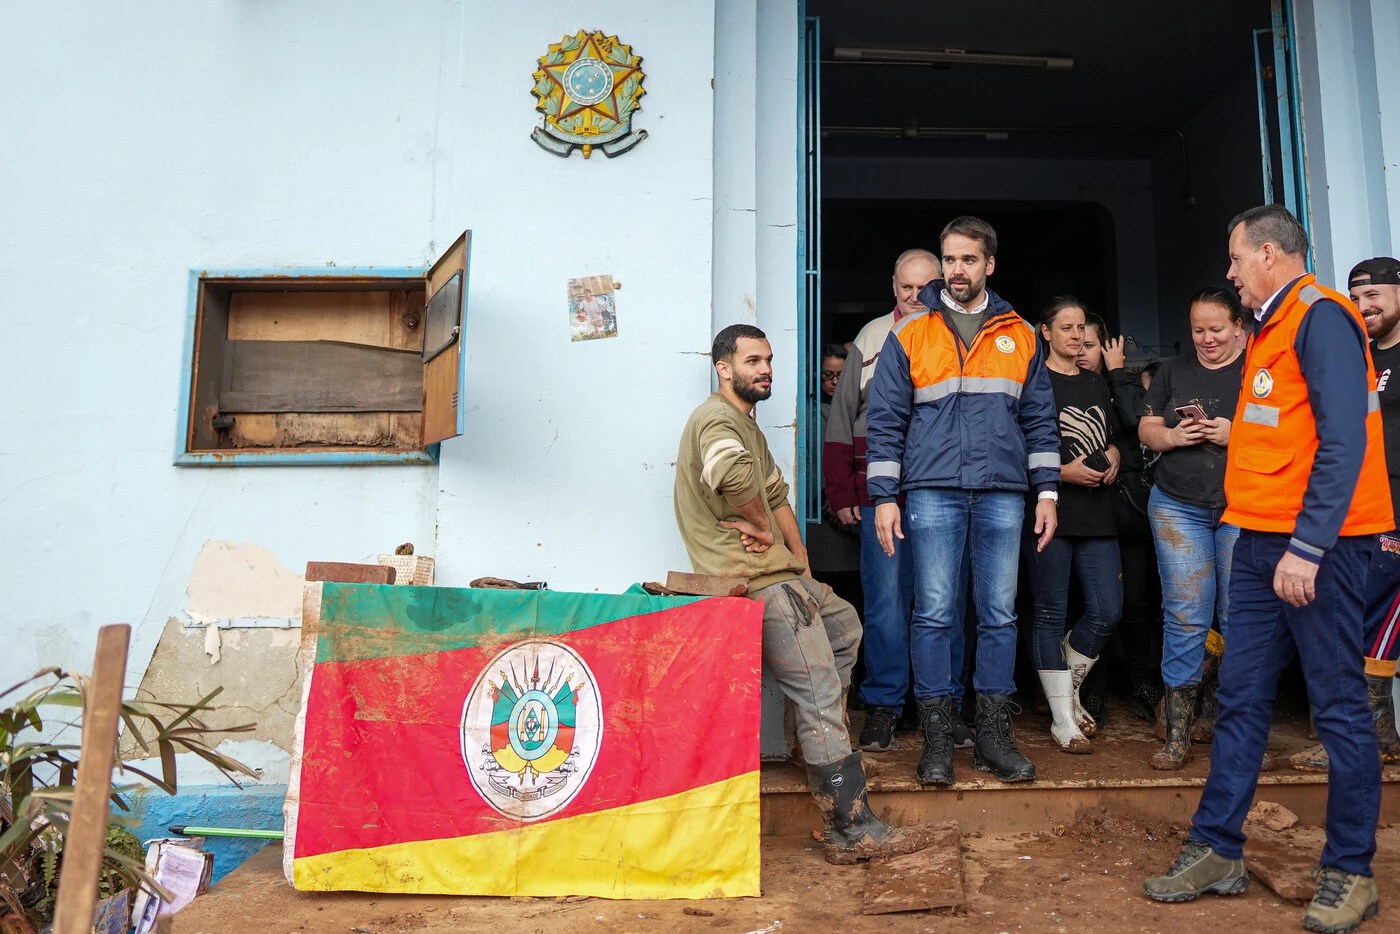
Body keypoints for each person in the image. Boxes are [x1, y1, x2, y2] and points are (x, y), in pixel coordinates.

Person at [1144, 206, 1392, 934]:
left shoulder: (1323, 318)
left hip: (1323, 547)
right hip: (1255, 540)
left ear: (1271, 257)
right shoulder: (1273, 327)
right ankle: (1218, 847)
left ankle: (1351, 874)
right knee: (1244, 698)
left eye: (1235, 258)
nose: (1229, 273)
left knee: (1340, 708)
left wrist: (1308, 548)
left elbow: (1344, 442)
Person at [674, 324, 934, 865]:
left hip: (783, 576)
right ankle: (850, 825)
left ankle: (810, 747)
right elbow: (733, 480)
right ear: (724, 368)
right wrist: (762, 531)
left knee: (844, 627)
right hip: (756, 583)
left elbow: (777, 497)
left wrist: (804, 567)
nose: (764, 369)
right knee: (817, 687)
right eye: (752, 361)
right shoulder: (715, 420)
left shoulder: (750, 426)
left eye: (768, 359)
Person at [865, 216, 1060, 785]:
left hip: (1003, 492)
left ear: (989, 265)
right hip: (931, 490)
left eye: (968, 260)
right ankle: (938, 742)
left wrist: (1046, 492)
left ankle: (994, 740)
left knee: (999, 614)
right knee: (934, 614)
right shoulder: (911, 333)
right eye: (949, 259)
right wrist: (884, 497)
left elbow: (1040, 421)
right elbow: (885, 422)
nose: (956, 269)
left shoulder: (1021, 333)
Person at [824, 249, 973, 753]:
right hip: (876, 496)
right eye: (906, 287)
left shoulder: (960, 335)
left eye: (924, 286)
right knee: (886, 602)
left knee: (945, 603)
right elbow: (842, 419)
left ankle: (944, 707)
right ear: (894, 287)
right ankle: (885, 706)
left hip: (942, 495)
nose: (914, 296)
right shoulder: (870, 338)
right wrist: (842, 491)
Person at [1290, 255, 1400, 772]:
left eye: (1374, 295)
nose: (1363, 306)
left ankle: (1370, 735)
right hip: (1361, 508)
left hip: (1393, 509)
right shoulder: (1357, 353)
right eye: (1355, 297)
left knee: (1380, 613)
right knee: (1358, 612)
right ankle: (1369, 735)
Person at [1136, 287, 1247, 770]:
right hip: (1177, 504)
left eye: (1216, 329)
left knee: (1241, 615)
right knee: (1185, 614)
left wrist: (1233, 433)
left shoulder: (1261, 368)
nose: (1206, 339)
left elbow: (1290, 428)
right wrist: (1173, 436)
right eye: (1199, 330)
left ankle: (1240, 732)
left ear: (1239, 326)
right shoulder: (1173, 370)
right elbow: (1145, 428)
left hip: (1244, 507)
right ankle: (1178, 733)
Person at [1025, 298, 1122, 754]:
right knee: (1049, 612)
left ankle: (1068, 683)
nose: (1077, 336)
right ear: (1046, 332)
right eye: (1066, 327)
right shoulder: (1031, 382)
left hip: (1098, 510)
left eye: (1082, 327)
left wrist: (1116, 455)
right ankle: (1063, 719)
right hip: (1052, 510)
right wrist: (1062, 473)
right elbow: (1013, 447)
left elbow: (1116, 433)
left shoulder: (1095, 382)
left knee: (1107, 609)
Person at [1079, 319, 1163, 724]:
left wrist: (1116, 373)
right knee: (1091, 605)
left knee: (1137, 603)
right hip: (1082, 508)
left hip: (1127, 510)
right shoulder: (1057, 387)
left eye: (1090, 343)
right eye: (1074, 340)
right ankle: (1091, 689)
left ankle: (1143, 685)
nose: (1080, 348)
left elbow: (1135, 423)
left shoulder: (1120, 385)